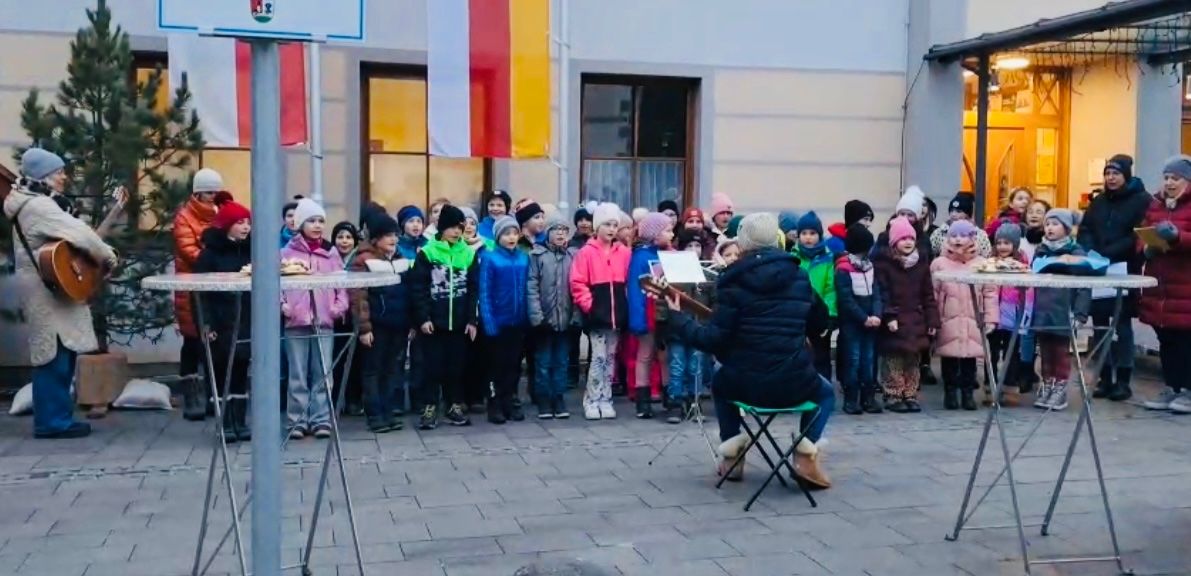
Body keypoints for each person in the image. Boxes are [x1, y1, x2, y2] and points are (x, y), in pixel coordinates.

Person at [666, 212, 834, 488]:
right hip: (795, 383)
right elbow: (820, 322)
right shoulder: (800, 277)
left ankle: (733, 458)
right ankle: (805, 455)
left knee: (720, 383)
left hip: (745, 385)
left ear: (743, 244)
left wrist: (679, 318)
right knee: (826, 392)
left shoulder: (731, 281)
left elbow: (712, 340)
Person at [5, 149, 118, 439]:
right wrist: (107, 256)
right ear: (43, 176)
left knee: (58, 351)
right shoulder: (40, 207)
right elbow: (81, 234)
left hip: (47, 286)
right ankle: (53, 421)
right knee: (52, 355)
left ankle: (57, 416)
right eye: (58, 173)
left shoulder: (31, 202)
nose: (64, 177)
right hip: (47, 290)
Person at [1078, 154, 1149, 401]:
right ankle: (1104, 376)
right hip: (1098, 266)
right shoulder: (1098, 202)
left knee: (1121, 323)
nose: (1111, 178)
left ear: (1126, 175)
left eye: (1115, 173)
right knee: (1100, 323)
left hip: (1124, 267)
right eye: (1108, 173)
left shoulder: (1141, 200)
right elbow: (1085, 228)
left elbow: (1138, 234)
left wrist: (1111, 251)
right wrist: (1089, 250)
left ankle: (1124, 379)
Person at [281, 199, 349, 440]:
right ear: (300, 224)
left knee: (323, 373)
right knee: (297, 374)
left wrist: (337, 308)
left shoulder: (330, 254)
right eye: (311, 220)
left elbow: (342, 285)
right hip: (296, 322)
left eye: (321, 220)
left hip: (324, 321)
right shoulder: (286, 253)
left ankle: (321, 419)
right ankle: (296, 420)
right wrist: (284, 307)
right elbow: (277, 285)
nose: (317, 225)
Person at [409, 205, 479, 429]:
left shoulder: (468, 254)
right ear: (441, 227)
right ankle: (429, 406)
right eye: (451, 227)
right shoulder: (428, 253)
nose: (456, 232)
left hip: (458, 324)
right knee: (432, 367)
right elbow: (418, 289)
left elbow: (473, 290)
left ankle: (453, 405)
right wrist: (423, 318)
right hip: (434, 323)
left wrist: (471, 320)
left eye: (460, 227)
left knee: (455, 367)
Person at [194, 197, 254, 442]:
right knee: (220, 373)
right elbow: (199, 293)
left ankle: (240, 421)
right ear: (227, 225)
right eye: (240, 222)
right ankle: (224, 423)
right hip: (220, 321)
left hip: (245, 319)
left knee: (241, 371)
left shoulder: (252, 250)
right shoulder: (209, 255)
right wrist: (205, 323)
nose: (246, 227)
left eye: (248, 222)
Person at [349, 213, 410, 433]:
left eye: (395, 235)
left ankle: (388, 412)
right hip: (376, 325)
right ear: (375, 239)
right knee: (373, 370)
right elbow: (358, 296)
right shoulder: (364, 259)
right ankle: (374, 415)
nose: (393, 240)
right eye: (387, 236)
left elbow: (409, 292)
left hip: (399, 323)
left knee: (392, 369)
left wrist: (411, 322)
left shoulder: (402, 258)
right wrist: (364, 327)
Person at [1138, 155, 1191, 413]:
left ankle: (1188, 390)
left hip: (1185, 284)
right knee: (1166, 337)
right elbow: (1144, 230)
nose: (1169, 182)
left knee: (1185, 339)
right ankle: (1172, 386)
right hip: (1160, 284)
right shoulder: (1156, 204)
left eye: (1175, 178)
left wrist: (1179, 237)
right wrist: (1146, 246)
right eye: (1167, 177)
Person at [570, 203, 631, 420]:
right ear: (598, 226)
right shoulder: (586, 252)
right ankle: (592, 398)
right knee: (598, 357)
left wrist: (624, 306)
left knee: (611, 357)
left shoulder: (623, 252)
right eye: (607, 224)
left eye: (615, 225)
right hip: (597, 315)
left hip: (616, 315)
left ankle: (606, 398)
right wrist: (590, 305)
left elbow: (627, 282)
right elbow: (577, 283)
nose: (612, 229)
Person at [174, 168, 225, 421]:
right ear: (197, 192)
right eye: (208, 192)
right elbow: (188, 250)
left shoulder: (222, 212)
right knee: (193, 341)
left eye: (216, 192)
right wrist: (217, 258)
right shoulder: (185, 217)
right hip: (191, 287)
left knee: (215, 342)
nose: (212, 197)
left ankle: (212, 395)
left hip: (217, 286)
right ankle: (192, 395)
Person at [931, 220, 998, 411]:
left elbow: (990, 293)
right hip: (948, 319)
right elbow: (933, 294)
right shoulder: (939, 264)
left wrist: (990, 318)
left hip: (973, 319)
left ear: (972, 238)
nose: (958, 239)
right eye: (954, 235)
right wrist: (933, 319)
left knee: (970, 358)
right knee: (949, 357)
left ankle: (968, 393)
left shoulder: (982, 264)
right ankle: (950, 392)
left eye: (963, 235)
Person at [875, 216, 939, 413]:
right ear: (894, 242)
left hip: (915, 319)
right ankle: (893, 394)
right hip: (894, 320)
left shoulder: (921, 264)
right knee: (893, 360)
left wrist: (932, 319)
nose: (908, 242)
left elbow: (928, 294)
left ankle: (910, 394)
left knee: (913, 360)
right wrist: (889, 316)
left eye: (911, 238)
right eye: (903, 239)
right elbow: (882, 293)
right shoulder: (884, 265)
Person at [1030, 209, 1091, 411]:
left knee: (1061, 351)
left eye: (1055, 224)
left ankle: (1060, 387)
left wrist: (1080, 313)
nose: (1050, 228)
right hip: (1042, 309)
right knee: (1045, 351)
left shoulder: (1075, 252)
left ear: (1066, 228)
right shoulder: (1041, 250)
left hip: (1064, 310)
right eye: (1047, 224)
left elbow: (1084, 285)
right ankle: (1047, 383)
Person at [658, 229, 715, 424]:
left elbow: (713, 302)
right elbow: (661, 301)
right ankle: (675, 402)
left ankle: (695, 401)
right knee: (677, 365)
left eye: (697, 246)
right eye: (689, 246)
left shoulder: (707, 273)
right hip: (676, 330)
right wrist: (662, 326)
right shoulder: (671, 272)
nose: (693, 250)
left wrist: (711, 322)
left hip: (699, 329)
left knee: (696, 366)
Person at [479, 216, 531, 424]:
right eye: (506, 234)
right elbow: (484, 292)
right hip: (497, 323)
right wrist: (488, 322)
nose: (511, 238)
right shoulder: (490, 259)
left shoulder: (523, 258)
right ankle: (495, 403)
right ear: (498, 236)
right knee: (495, 366)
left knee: (514, 366)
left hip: (517, 322)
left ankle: (510, 400)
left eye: (514, 233)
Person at [529, 212, 580, 419]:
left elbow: (577, 287)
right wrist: (537, 317)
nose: (560, 234)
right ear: (548, 233)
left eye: (564, 231)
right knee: (543, 361)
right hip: (545, 320)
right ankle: (543, 398)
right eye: (556, 230)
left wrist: (576, 316)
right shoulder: (537, 256)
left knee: (561, 361)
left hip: (565, 319)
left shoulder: (573, 257)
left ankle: (558, 396)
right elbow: (531, 288)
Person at [627, 212, 674, 418]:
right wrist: (638, 320)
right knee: (645, 355)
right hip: (648, 314)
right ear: (655, 234)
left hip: (667, 314)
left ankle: (669, 394)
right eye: (667, 230)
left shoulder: (669, 253)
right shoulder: (641, 257)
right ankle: (642, 400)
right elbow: (636, 291)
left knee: (665, 356)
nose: (672, 234)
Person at [835, 224, 883, 415]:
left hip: (870, 322)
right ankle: (851, 399)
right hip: (852, 324)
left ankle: (868, 398)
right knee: (853, 360)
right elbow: (846, 299)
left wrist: (877, 315)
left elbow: (877, 293)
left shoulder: (870, 268)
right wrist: (864, 318)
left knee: (869, 361)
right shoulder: (844, 269)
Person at [987, 224, 1033, 406]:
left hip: (1013, 316)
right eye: (999, 243)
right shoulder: (990, 262)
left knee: (1012, 354)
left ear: (1015, 244)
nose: (1002, 247)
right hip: (993, 316)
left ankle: (1009, 388)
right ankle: (990, 388)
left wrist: (1024, 316)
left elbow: (1028, 294)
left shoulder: (1022, 265)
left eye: (1006, 243)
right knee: (991, 353)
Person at [794, 212, 836, 381]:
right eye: (804, 233)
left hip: (820, 317)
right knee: (800, 356)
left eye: (812, 233)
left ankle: (822, 390)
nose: (808, 238)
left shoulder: (828, 258)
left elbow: (831, 289)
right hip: (798, 315)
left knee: (821, 356)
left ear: (819, 235)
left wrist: (830, 315)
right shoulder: (793, 257)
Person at [331, 221, 364, 416]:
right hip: (335, 319)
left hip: (354, 317)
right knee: (335, 361)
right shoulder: (328, 258)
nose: (344, 241)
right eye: (340, 237)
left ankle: (353, 399)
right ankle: (336, 400)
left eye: (348, 237)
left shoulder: (360, 259)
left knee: (356, 361)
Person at [930, 192, 992, 258]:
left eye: (958, 211)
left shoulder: (979, 234)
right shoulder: (940, 232)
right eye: (952, 210)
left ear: (967, 214)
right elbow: (931, 254)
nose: (953, 214)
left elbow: (987, 256)